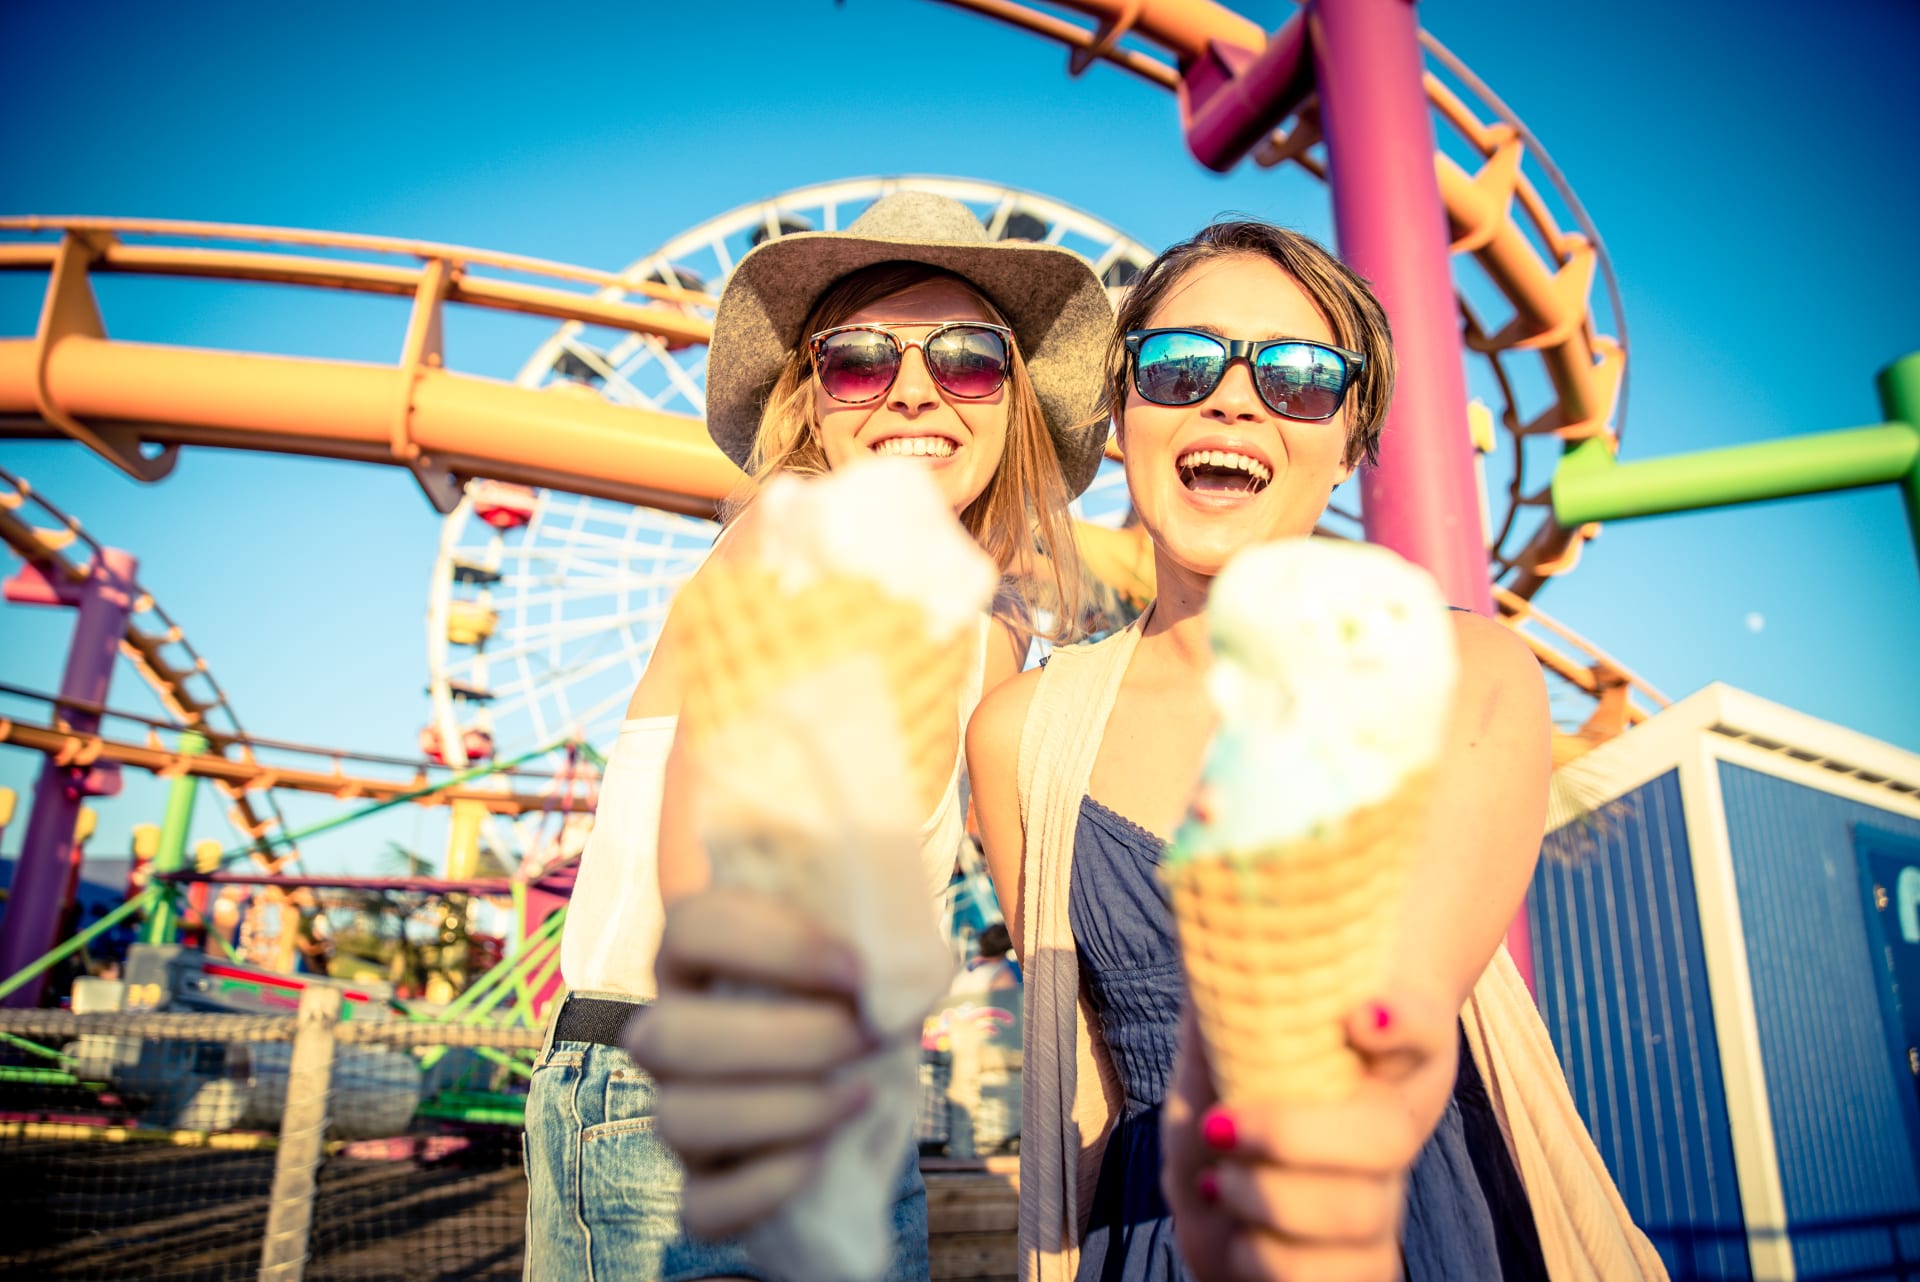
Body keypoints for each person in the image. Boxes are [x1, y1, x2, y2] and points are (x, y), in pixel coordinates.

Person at [965, 221, 1664, 1282]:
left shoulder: (1461, 672)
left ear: (1350, 442)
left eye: (1298, 377)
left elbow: (1391, 1044)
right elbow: (1086, 1084)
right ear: (1123, 417)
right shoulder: (1021, 731)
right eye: (1180, 364)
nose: (1232, 399)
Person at [527, 190, 1115, 1282]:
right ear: (812, 395)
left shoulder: (990, 637)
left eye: (968, 360)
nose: (911, 391)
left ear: (1013, 399)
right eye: (858, 360)